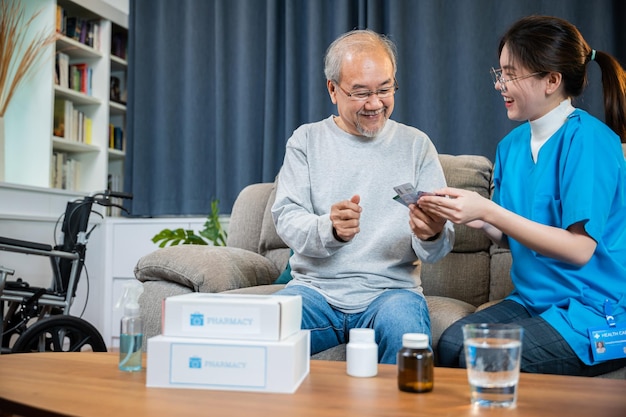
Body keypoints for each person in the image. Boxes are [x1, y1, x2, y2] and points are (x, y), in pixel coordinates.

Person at [423, 16, 626, 376]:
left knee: (479, 354)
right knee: (452, 342)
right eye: (499, 73)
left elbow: (580, 249)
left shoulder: (590, 142)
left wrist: (490, 210)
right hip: (535, 302)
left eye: (511, 74)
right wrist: (477, 218)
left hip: (594, 309)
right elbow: (510, 237)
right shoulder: (511, 146)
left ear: (551, 80)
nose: (500, 85)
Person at [271, 29, 455, 364]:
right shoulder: (306, 141)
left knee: (407, 341)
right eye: (361, 93)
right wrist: (331, 229)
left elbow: (437, 248)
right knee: (262, 332)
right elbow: (286, 218)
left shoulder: (416, 145)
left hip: (391, 295)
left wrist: (432, 233)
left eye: (385, 89)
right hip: (314, 294)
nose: (375, 104)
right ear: (332, 90)